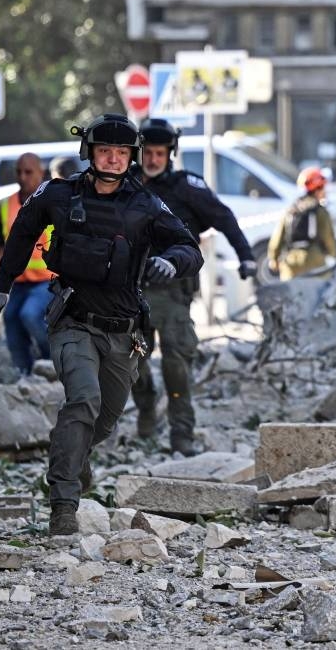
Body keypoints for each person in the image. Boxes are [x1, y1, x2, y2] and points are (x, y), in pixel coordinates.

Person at [0, 113, 202, 535]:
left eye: (122, 153)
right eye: (106, 151)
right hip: (73, 321)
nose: (114, 160)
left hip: (123, 330)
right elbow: (23, 231)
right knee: (82, 400)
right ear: (90, 153)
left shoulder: (145, 204)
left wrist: (169, 263)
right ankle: (63, 504)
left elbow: (189, 247)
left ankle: (75, 455)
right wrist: (1, 287)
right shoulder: (58, 194)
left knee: (106, 418)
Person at [130, 118, 257, 456]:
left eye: (159, 153)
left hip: (173, 290)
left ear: (170, 154)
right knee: (131, 363)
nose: (153, 160)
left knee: (176, 365)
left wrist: (246, 256)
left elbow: (225, 218)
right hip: (130, 290)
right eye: (148, 153)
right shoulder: (125, 185)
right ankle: (145, 407)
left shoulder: (186, 187)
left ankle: (181, 433)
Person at [0, 153, 54, 376]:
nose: (22, 177)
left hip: (47, 281)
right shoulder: (7, 206)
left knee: (30, 314)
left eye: (28, 172)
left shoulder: (54, 203)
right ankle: (23, 372)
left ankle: (52, 360)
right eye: (18, 172)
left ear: (40, 173)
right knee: (10, 318)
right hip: (18, 282)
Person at [268, 167, 336, 280]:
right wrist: (334, 255)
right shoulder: (320, 211)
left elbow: (278, 237)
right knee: (320, 294)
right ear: (318, 189)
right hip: (315, 261)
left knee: (290, 295)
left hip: (290, 262)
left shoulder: (291, 210)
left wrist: (274, 258)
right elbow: (328, 237)